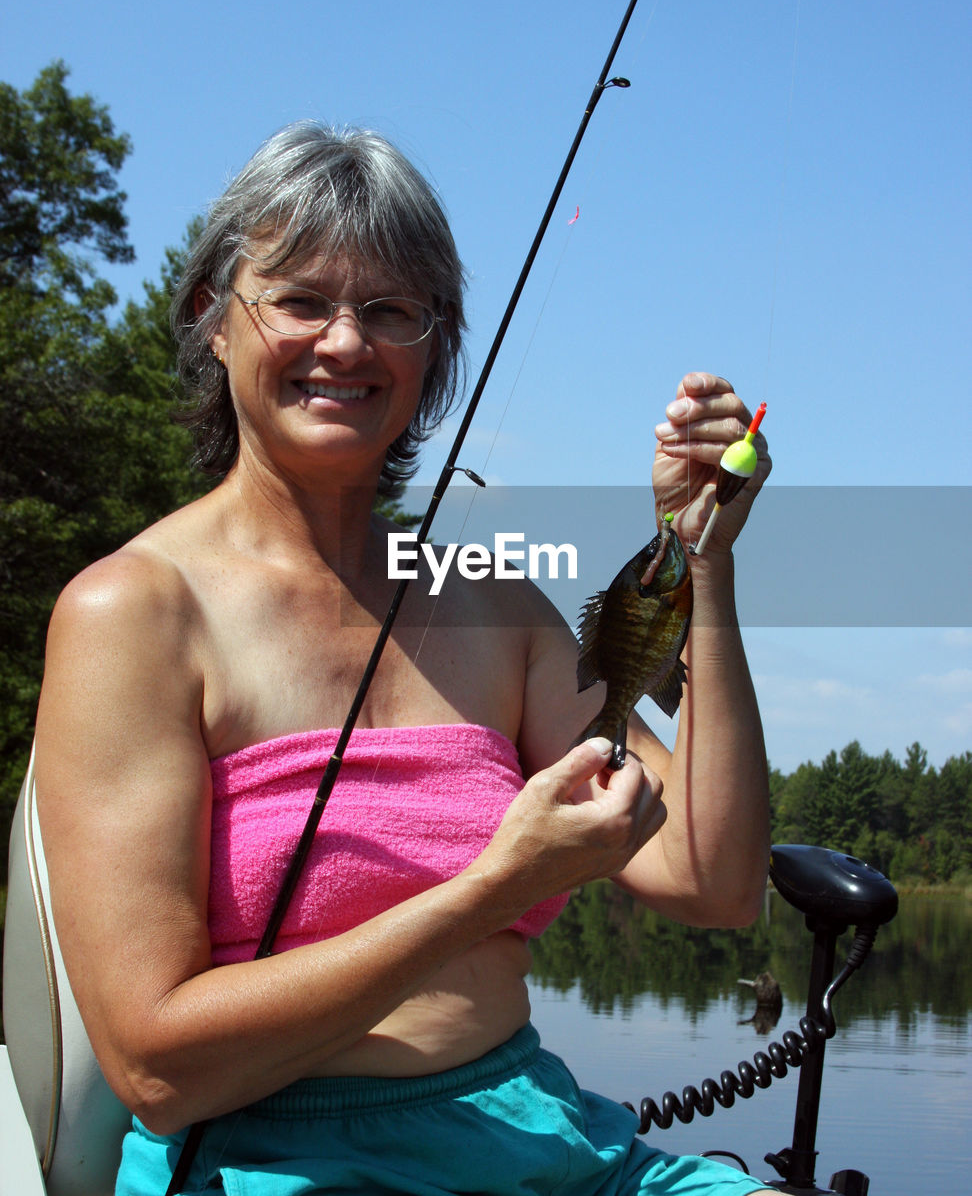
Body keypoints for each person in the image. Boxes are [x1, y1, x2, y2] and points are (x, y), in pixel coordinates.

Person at [34, 122, 775, 1196]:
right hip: (269, 1156)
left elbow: (713, 878)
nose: (345, 342)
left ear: (434, 349)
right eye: (298, 300)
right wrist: (493, 888)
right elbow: (155, 1066)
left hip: (546, 1138)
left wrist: (700, 560)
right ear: (212, 320)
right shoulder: (132, 614)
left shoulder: (495, 608)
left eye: (390, 310)